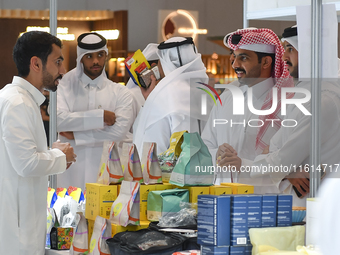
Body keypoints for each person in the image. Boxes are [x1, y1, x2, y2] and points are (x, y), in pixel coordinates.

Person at [223, 25, 340, 206]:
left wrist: (243, 164)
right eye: (284, 48)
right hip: (292, 202)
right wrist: (286, 168)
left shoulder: (322, 100)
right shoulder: (304, 94)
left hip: (313, 206)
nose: (285, 56)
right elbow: (274, 148)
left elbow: (281, 157)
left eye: (291, 49)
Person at [0, 31, 76, 255]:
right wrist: (60, 156)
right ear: (35, 63)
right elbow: (26, 163)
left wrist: (53, 153)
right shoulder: (17, 102)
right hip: (18, 231)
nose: (62, 70)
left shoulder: (17, 98)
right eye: (58, 62)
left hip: (20, 222)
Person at [201, 28, 293, 186]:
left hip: (264, 199)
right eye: (234, 57)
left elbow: (289, 158)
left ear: (265, 62)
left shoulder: (286, 102)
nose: (235, 64)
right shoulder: (227, 96)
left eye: (243, 58)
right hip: (223, 197)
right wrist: (217, 153)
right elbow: (205, 145)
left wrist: (242, 164)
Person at [57, 32, 134, 190]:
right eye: (89, 56)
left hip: (105, 171)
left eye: (100, 55)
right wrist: (100, 117)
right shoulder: (64, 87)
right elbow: (59, 121)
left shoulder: (120, 92)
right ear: (80, 59)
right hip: (70, 172)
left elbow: (119, 133)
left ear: (106, 55)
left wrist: (77, 135)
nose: (96, 61)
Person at [133, 37, 211, 156]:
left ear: (166, 62)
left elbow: (150, 140)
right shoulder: (204, 91)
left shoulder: (165, 93)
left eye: (159, 61)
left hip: (168, 171)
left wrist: (153, 99)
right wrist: (150, 99)